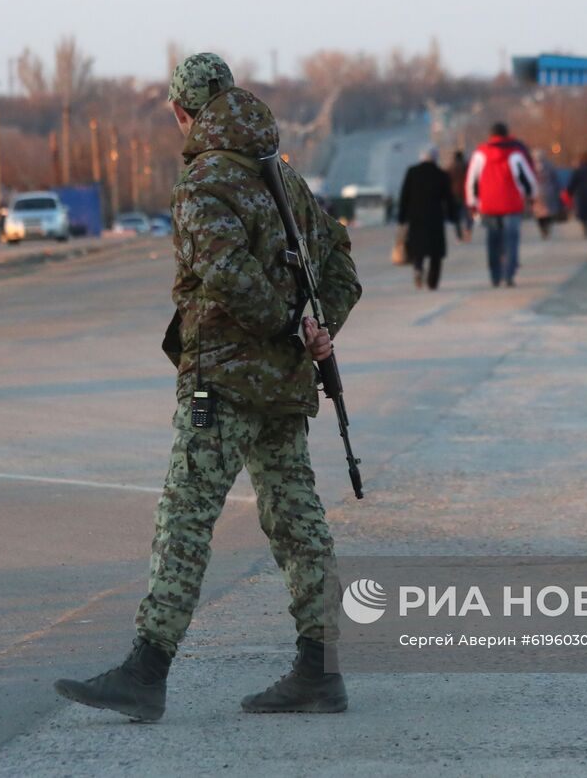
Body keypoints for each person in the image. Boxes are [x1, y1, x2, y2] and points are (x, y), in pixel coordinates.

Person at [54, 53, 362, 721]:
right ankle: (320, 669)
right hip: (281, 387)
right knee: (297, 521)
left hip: (217, 386)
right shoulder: (284, 179)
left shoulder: (205, 181)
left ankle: (146, 670)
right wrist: (313, 328)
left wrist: (288, 323)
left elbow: (221, 269)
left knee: (187, 514)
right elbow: (342, 269)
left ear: (181, 113)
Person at [465, 122, 537, 287]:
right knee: (511, 240)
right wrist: (532, 196)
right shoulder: (515, 154)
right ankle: (509, 274)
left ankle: (495, 275)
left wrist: (472, 202)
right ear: (507, 135)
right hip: (512, 204)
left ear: (491, 136)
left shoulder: (480, 154)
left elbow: (471, 180)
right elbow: (529, 178)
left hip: (488, 205)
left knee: (493, 240)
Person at [396, 146, 458, 290]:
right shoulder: (441, 174)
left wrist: (402, 217)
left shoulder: (412, 172)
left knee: (418, 247)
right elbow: (448, 198)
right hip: (435, 217)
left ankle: (418, 268)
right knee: (436, 252)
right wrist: (452, 216)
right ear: (436, 158)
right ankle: (432, 282)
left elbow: (404, 196)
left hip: (416, 217)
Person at [532, 153, 565, 240]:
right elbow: (556, 179)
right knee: (548, 211)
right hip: (549, 192)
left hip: (537, 193)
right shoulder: (549, 166)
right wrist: (558, 190)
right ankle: (547, 226)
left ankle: (542, 228)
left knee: (539, 213)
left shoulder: (531, 166)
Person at [566, 150, 587, 238]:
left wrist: (569, 192)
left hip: (581, 194)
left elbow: (573, 182)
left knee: (583, 213)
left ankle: (585, 228)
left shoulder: (578, 170)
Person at [447, 150, 472, 242]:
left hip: (455, 194)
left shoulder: (451, 168)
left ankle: (459, 236)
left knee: (456, 217)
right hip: (466, 194)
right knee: (468, 214)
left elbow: (446, 181)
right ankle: (468, 230)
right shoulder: (467, 166)